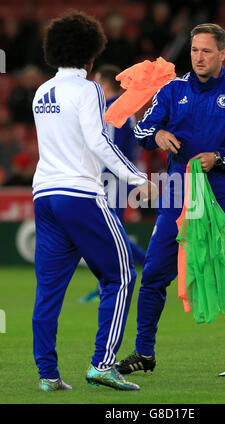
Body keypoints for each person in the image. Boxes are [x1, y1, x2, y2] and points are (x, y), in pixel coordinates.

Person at [116, 23, 225, 377]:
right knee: (153, 273)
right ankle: (144, 353)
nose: (198, 57)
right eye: (195, 50)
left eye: (206, 51)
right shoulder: (171, 90)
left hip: (220, 197)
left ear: (223, 54)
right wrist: (158, 133)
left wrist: (221, 158)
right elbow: (140, 130)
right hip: (177, 197)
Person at [31, 11, 157, 392]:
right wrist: (138, 179)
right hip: (80, 194)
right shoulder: (87, 89)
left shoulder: (41, 92)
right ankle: (102, 363)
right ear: (91, 53)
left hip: (44, 195)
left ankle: (48, 375)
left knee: (49, 290)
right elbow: (98, 142)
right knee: (121, 275)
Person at [78, 64, 146, 303]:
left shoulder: (112, 108)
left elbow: (109, 148)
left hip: (111, 179)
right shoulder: (124, 109)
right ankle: (139, 270)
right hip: (119, 177)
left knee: (109, 230)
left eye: (96, 82)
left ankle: (149, 267)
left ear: (104, 83)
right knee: (111, 230)